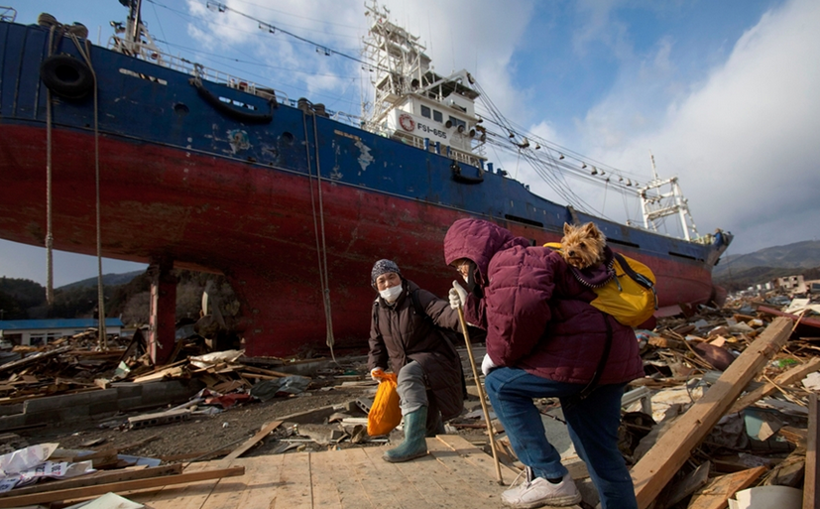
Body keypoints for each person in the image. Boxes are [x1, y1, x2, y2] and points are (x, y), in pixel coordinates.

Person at [444, 218, 643, 509]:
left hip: (585, 358)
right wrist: (469, 304)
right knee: (597, 449)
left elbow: (520, 315)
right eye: (456, 268)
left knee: (500, 385)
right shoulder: (519, 260)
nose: (461, 272)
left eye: (462, 263)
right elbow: (507, 307)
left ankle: (550, 478)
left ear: (475, 250)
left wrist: (497, 358)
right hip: (611, 358)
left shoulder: (509, 261)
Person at [368, 259, 465, 463]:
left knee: (408, 375)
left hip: (436, 359)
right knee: (426, 408)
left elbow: (441, 312)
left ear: (400, 277)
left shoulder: (418, 297)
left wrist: (462, 313)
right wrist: (375, 365)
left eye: (392, 277)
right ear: (375, 286)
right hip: (406, 363)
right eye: (381, 281)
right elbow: (376, 340)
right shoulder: (378, 309)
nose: (388, 284)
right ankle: (434, 437)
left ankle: (413, 442)